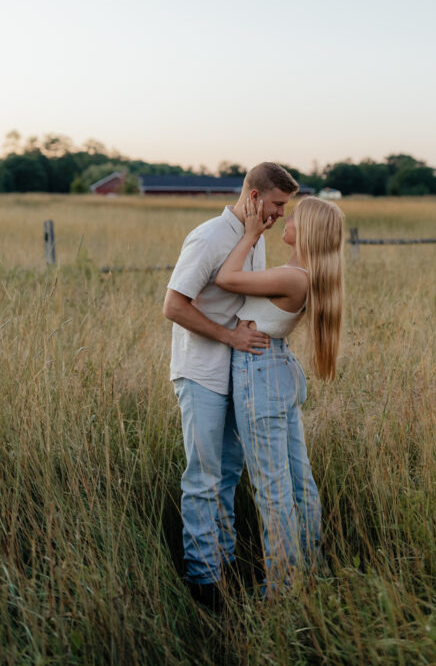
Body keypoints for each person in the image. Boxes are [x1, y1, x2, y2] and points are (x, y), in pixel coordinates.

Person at [163, 163, 300, 610]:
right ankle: (205, 584)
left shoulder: (252, 240)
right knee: (203, 479)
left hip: (237, 376)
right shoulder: (208, 237)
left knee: (227, 477)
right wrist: (231, 336)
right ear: (255, 197)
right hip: (201, 372)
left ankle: (221, 566)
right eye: (277, 204)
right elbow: (173, 306)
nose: (281, 213)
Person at [215, 193, 344, 592]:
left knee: (272, 488)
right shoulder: (302, 271)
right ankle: (310, 569)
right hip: (278, 368)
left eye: (293, 216)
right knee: (298, 480)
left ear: (306, 230)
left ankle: (284, 587)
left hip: (263, 373)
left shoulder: (293, 277)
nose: (284, 219)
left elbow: (226, 277)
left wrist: (251, 233)